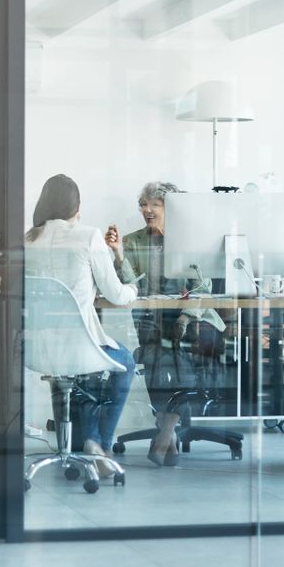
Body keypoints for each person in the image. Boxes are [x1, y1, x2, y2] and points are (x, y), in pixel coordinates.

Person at [24, 174, 138, 477]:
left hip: (37, 349)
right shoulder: (88, 236)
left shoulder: (27, 239)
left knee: (82, 366)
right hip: (78, 348)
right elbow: (115, 293)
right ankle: (100, 444)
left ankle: (84, 445)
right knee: (124, 361)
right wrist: (133, 290)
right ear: (77, 206)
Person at [106, 180, 225, 468]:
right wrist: (119, 254)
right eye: (143, 204)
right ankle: (168, 429)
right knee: (155, 351)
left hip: (196, 320)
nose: (147, 210)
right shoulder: (134, 242)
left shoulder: (189, 240)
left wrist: (184, 317)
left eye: (154, 204)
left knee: (171, 350)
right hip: (154, 320)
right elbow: (129, 287)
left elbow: (201, 288)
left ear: (170, 208)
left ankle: (168, 425)